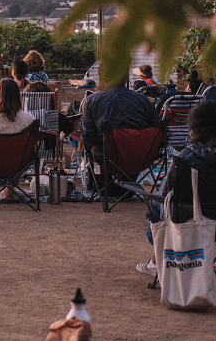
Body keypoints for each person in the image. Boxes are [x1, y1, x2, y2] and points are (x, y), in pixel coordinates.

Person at [137, 101, 216, 276]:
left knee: (158, 199)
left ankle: (155, 262)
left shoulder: (184, 158)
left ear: (194, 127)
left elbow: (167, 194)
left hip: (190, 217)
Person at [79, 75, 159, 161]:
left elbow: (87, 135)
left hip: (107, 158)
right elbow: (157, 128)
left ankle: (101, 174)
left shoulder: (92, 100)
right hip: (140, 157)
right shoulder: (143, 100)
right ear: (126, 78)